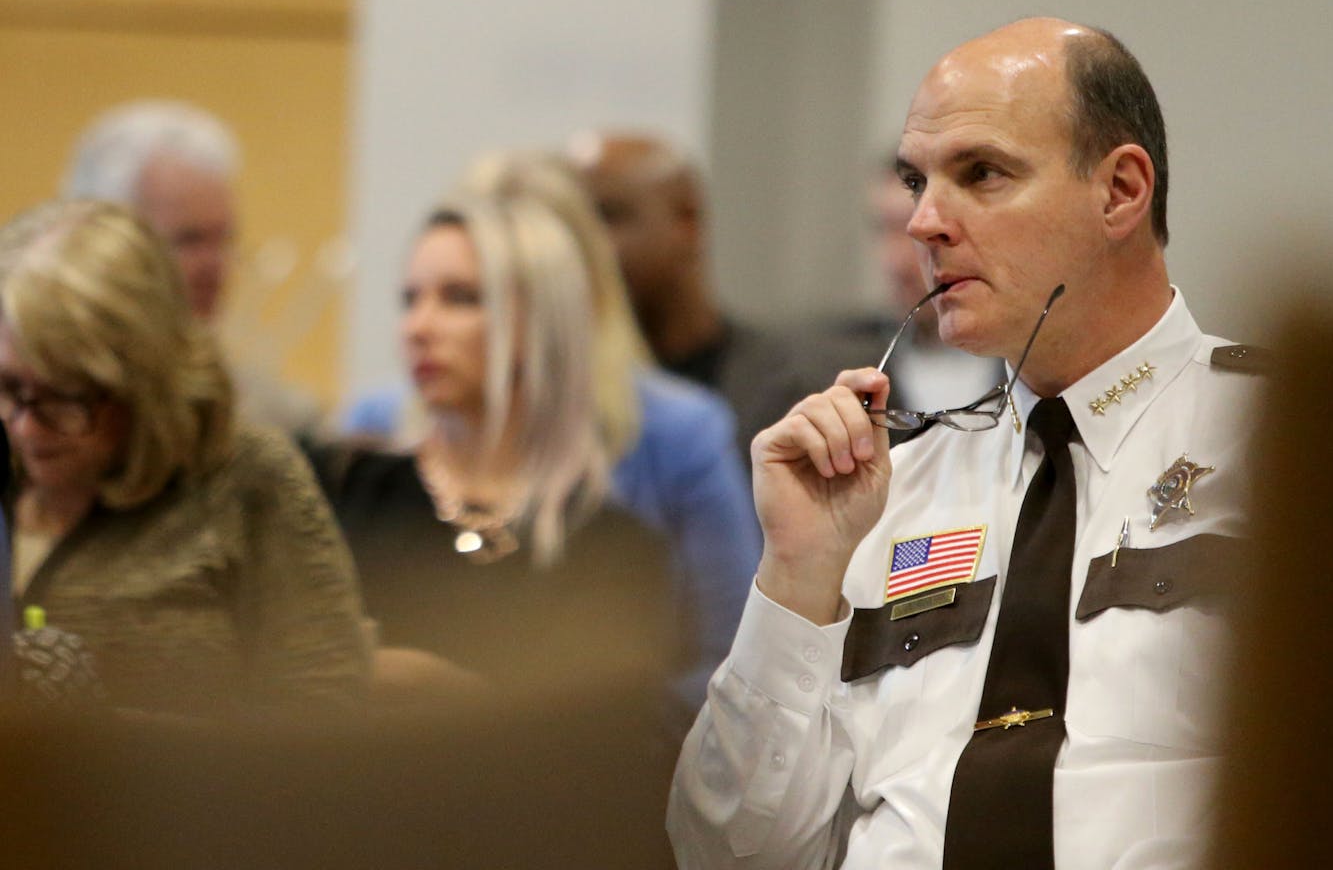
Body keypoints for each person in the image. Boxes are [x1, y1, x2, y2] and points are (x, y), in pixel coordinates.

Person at [668, 17, 1261, 869]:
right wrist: (798, 579)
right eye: (917, 180)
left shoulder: (1279, 448)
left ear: (1121, 192)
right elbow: (726, 851)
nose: (923, 223)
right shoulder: (884, 491)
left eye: (981, 173)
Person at [340, 151, 763, 717]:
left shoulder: (637, 496)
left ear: (552, 305)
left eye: (462, 297)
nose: (420, 327)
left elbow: (728, 659)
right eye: (410, 298)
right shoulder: (363, 449)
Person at [0, 200, 370, 716]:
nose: (26, 425)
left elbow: (328, 721)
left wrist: (99, 737)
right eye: (10, 387)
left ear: (146, 376)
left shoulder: (247, 478)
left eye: (66, 395)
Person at [570, 132, 850, 457]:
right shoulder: (568, 397)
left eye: (608, 215)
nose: (583, 245)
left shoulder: (794, 391)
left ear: (686, 221)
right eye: (573, 223)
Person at [64, 100, 322, 437]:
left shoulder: (276, 419)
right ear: (99, 245)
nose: (217, 266)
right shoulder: (38, 399)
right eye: (190, 240)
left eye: (224, 241)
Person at [835, 155, 1003, 444]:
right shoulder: (832, 371)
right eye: (882, 229)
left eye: (910, 229)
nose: (895, 263)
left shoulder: (1036, 369)